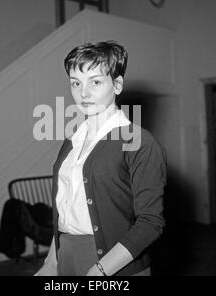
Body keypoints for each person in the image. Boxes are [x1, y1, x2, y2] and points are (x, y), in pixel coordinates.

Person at [35, 41, 167, 276]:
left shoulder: (140, 143)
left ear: (117, 85)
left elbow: (150, 223)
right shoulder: (72, 140)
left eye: (95, 82)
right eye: (76, 83)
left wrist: (101, 270)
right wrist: (51, 261)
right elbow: (65, 209)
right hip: (66, 253)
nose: (83, 93)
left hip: (115, 263)